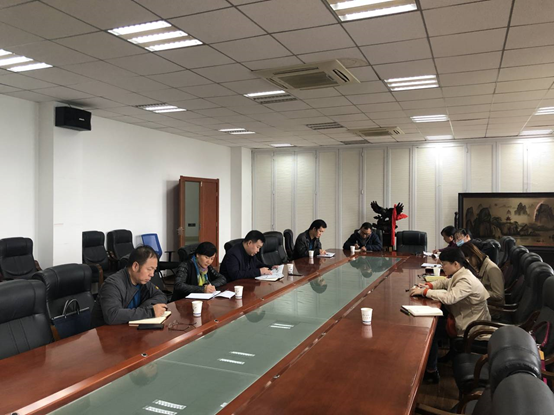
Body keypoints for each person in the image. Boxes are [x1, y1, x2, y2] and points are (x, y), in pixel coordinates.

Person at [410, 248, 490, 383]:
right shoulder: (461, 274)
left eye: (444, 264)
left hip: (471, 328)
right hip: (462, 319)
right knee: (433, 326)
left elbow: (449, 298)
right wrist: (429, 285)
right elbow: (445, 282)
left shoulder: (466, 280)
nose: (442, 267)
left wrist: (424, 292)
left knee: (430, 331)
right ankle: (431, 366)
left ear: (456, 264)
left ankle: (431, 372)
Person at [91, 246, 168, 328]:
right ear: (135, 266)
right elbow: (112, 316)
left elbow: (161, 296)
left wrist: (143, 308)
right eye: (149, 269)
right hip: (105, 332)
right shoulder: (112, 284)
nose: (152, 274)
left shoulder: (143, 282)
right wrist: (150, 312)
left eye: (154, 270)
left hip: (127, 329)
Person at [460, 242, 504, 308]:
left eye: (469, 259)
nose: (469, 263)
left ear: (474, 255)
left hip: (493, 306)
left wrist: (477, 292)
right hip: (483, 302)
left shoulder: (492, 268)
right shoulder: (481, 266)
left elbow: (499, 295)